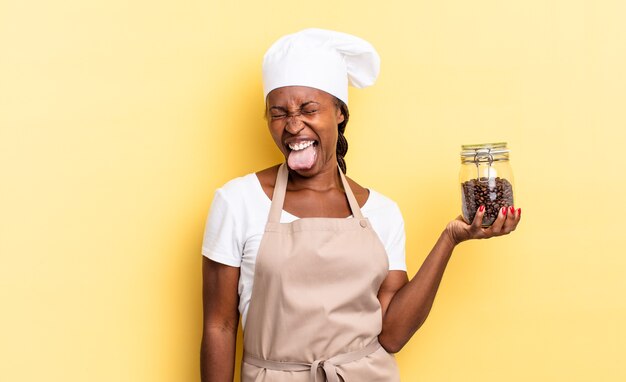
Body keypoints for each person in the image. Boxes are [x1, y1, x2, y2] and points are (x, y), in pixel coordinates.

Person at [200, 28, 521, 382]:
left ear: (339, 112)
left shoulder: (382, 212)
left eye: (309, 109)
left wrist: (450, 238)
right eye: (279, 113)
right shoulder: (236, 201)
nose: (293, 125)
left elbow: (393, 335)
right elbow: (221, 325)